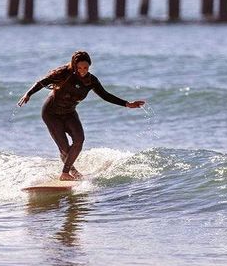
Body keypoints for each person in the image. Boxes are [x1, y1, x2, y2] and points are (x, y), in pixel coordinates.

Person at [18, 51, 145, 181]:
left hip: (69, 112)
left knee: (79, 139)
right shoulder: (65, 74)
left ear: (89, 66)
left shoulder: (91, 81)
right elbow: (43, 82)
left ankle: (65, 173)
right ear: (74, 65)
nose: (82, 71)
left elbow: (105, 95)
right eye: (79, 68)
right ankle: (71, 172)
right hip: (51, 113)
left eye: (85, 68)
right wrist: (28, 93)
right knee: (64, 148)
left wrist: (127, 104)